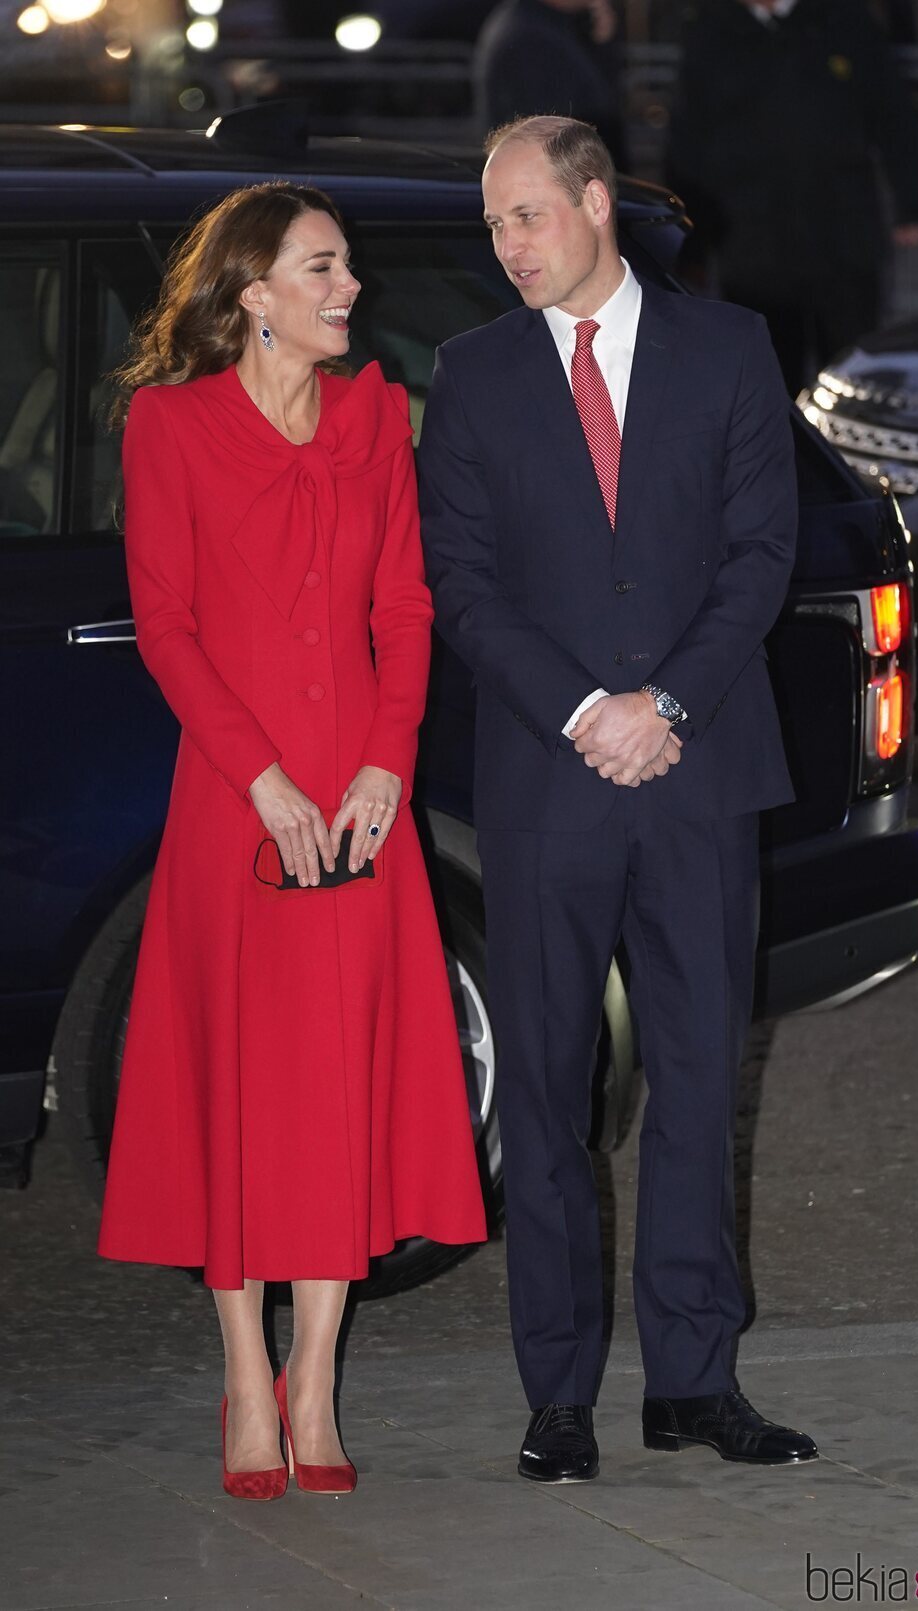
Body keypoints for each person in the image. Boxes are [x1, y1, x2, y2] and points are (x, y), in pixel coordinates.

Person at [417, 115, 818, 1483]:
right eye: (492, 226)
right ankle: (561, 1391)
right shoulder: (471, 375)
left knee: (703, 1079)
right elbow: (461, 584)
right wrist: (590, 713)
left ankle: (696, 1380)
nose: (505, 246)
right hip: (547, 781)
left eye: (524, 216)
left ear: (594, 202)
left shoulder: (728, 347)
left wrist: (673, 706)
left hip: (701, 771)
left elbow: (765, 551)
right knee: (543, 1088)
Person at [97, 181, 487, 1500]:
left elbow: (406, 605)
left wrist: (388, 760)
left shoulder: (379, 418)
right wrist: (261, 777)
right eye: (322, 267)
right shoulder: (171, 425)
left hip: (359, 802)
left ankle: (314, 1377)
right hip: (237, 801)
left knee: (339, 1087)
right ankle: (241, 1377)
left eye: (348, 267)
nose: (351, 287)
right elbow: (168, 625)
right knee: (240, 1089)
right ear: (254, 294)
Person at [667, 0, 918, 396]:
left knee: (853, 377)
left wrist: (914, 203)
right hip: (753, 244)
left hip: (843, 237)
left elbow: (893, 114)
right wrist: (689, 244)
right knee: (766, 384)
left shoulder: (843, 20)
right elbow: (688, 144)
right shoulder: (713, 30)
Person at [475, 0, 627, 170]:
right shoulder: (531, 36)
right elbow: (551, 138)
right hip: (559, 183)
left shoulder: (546, 25)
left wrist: (601, 44)